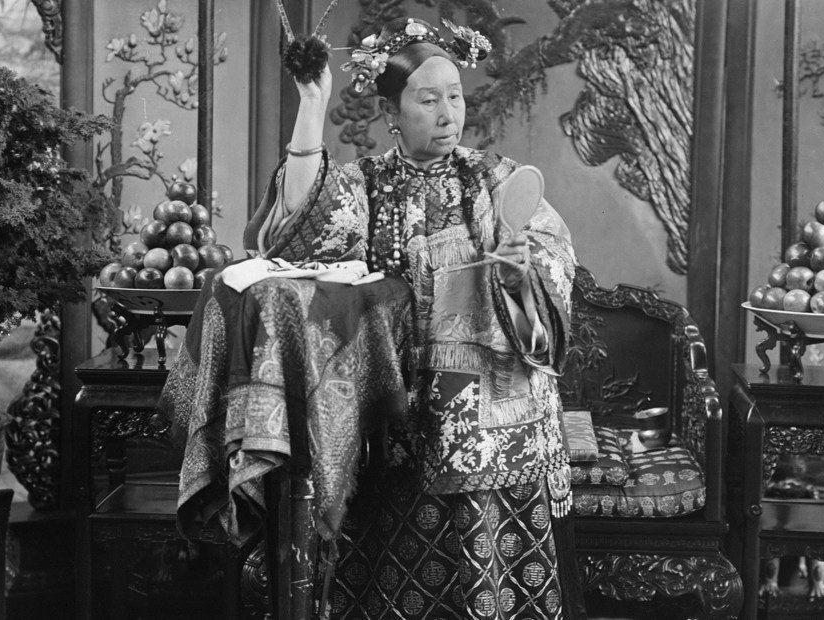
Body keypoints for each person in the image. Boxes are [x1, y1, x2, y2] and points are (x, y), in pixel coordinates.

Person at [243, 16, 579, 619]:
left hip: (486, 419)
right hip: (392, 409)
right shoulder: (364, 185)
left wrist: (516, 271)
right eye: (429, 99)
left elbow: (550, 281)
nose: (449, 112)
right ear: (391, 113)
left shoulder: (494, 180)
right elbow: (295, 231)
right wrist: (314, 104)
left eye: (455, 95)